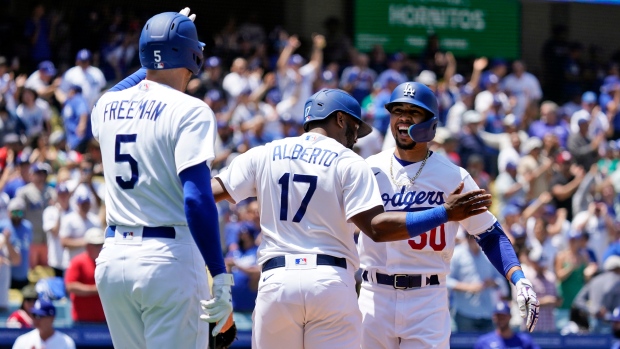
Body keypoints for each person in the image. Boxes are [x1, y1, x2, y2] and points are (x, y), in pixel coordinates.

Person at [211, 87, 493, 348]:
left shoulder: (265, 153)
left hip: (276, 279)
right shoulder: (350, 161)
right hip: (329, 279)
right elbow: (376, 229)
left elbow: (204, 194)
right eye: (356, 128)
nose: (356, 138)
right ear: (341, 119)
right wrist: (444, 213)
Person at [357, 82, 539, 348]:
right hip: (374, 294)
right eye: (398, 110)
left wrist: (518, 277)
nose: (404, 117)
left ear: (431, 122)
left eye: (413, 111)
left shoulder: (453, 176)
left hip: (427, 299)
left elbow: (489, 234)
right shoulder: (368, 169)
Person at [91, 9, 233, 349]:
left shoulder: (105, 106)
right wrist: (220, 274)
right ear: (193, 56)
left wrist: (155, 55)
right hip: (168, 260)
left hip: (113, 261)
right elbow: (197, 199)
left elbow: (118, 92)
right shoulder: (191, 109)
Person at [64, 227, 106, 324]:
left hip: (105, 320)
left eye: (101, 244)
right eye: (96, 245)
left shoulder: (107, 263)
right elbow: (70, 286)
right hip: (82, 320)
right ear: (87, 246)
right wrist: (96, 289)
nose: (99, 248)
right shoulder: (77, 262)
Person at [12, 298, 76, 349]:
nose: (35, 319)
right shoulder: (22, 340)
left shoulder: (66, 342)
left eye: (39, 316)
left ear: (52, 318)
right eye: (34, 315)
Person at [474, 301, 541, 349]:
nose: (500, 319)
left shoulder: (524, 340)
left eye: (503, 317)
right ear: (493, 318)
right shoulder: (484, 341)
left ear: (510, 317)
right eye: (498, 317)